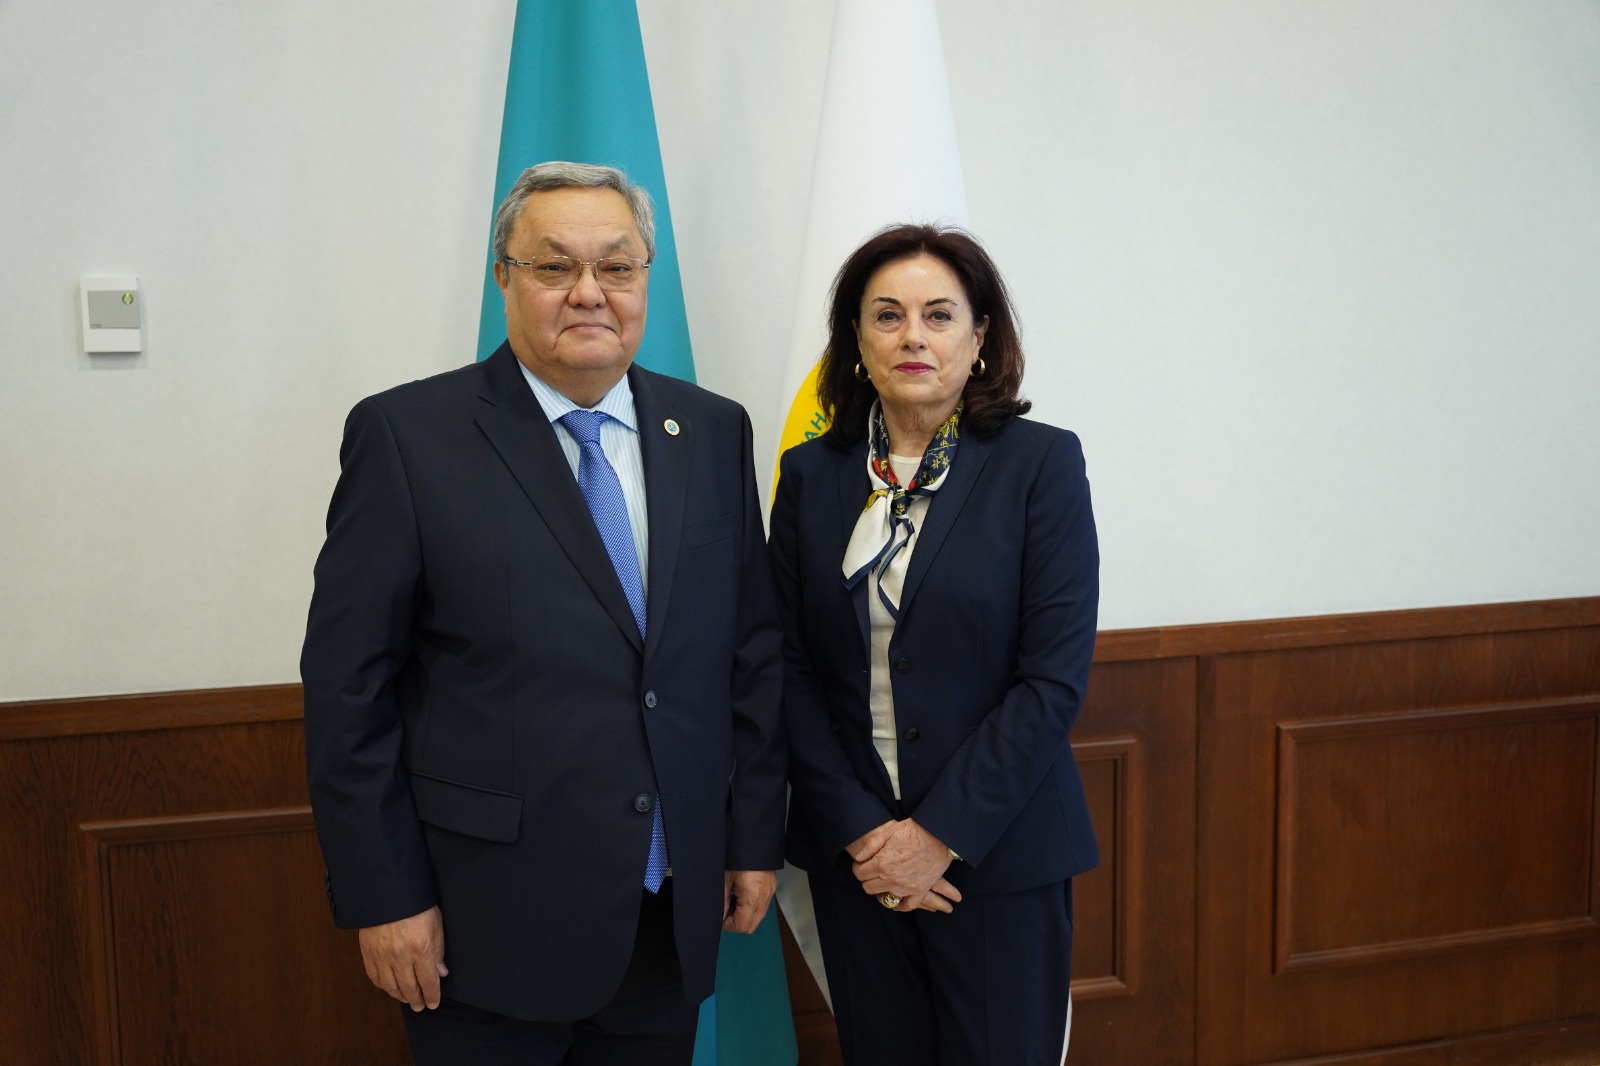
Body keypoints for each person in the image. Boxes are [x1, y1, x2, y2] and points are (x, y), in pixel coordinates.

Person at [301, 161, 786, 1066]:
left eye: (618, 266)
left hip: (666, 911)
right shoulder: (407, 436)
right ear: (504, 277)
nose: (589, 292)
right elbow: (347, 691)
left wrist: (753, 838)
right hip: (483, 927)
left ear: (645, 279)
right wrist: (383, 895)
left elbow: (752, 655)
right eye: (555, 266)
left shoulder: (712, 430)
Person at [770, 223, 1099, 1065]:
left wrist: (936, 837)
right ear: (856, 340)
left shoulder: (1040, 465)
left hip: (996, 855)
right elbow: (787, 669)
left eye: (939, 315)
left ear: (979, 336)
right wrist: (866, 837)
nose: (912, 335)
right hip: (857, 862)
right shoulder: (811, 476)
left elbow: (1051, 680)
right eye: (887, 315)